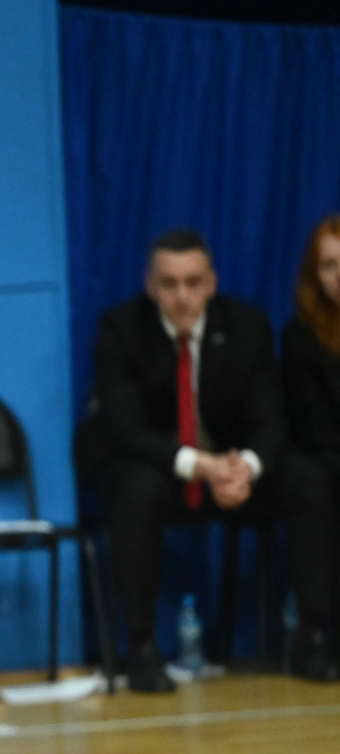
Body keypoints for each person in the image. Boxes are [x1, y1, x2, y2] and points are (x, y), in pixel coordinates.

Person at [90, 229, 334, 688]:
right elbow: (125, 430)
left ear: (212, 283)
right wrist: (202, 466)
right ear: (150, 285)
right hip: (165, 472)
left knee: (307, 477)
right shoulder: (122, 330)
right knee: (133, 489)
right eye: (169, 284)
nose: (182, 296)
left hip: (233, 473)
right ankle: (142, 649)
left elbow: (272, 420)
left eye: (193, 282)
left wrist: (246, 467)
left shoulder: (246, 326)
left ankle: (314, 638)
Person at [283, 215, 340, 655]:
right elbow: (311, 424)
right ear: (314, 276)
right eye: (329, 265)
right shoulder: (301, 337)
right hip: (328, 456)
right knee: (314, 482)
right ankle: (316, 633)